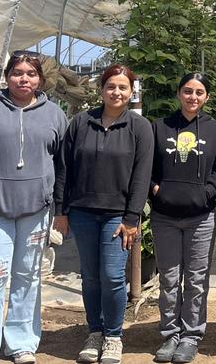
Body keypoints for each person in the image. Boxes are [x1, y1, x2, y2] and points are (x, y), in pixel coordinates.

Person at [0, 51, 68, 364]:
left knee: (28, 277)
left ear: (40, 80)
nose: (24, 79)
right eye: (17, 73)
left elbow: (63, 166)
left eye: (31, 74)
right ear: (7, 77)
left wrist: (59, 208)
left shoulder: (54, 115)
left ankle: (21, 343)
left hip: (37, 212)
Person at [53, 64, 153, 364]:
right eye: (111, 86)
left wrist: (132, 218)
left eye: (123, 87)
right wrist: (61, 210)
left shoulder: (139, 127)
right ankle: (94, 332)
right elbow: (64, 168)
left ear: (131, 92)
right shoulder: (82, 122)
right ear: (101, 90)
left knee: (112, 276)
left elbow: (142, 176)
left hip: (117, 216)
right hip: (82, 212)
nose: (116, 92)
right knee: (90, 277)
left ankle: (113, 336)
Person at [149, 72, 216, 364]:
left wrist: (207, 193)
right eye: (187, 91)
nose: (192, 97)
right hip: (164, 217)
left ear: (206, 97)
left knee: (196, 279)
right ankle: (170, 334)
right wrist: (156, 190)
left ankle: (191, 336)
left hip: (200, 218)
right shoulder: (159, 127)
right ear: (178, 93)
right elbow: (145, 167)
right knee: (169, 278)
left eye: (198, 92)